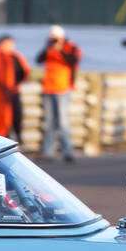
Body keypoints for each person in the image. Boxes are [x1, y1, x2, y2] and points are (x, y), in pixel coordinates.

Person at [35, 24, 80, 161]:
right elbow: (39, 59)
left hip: (63, 88)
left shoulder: (71, 47)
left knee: (63, 121)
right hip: (49, 87)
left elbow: (73, 61)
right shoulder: (49, 48)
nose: (52, 40)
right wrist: (48, 47)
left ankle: (68, 151)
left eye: (54, 38)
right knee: (49, 122)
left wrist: (60, 50)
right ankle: (48, 151)